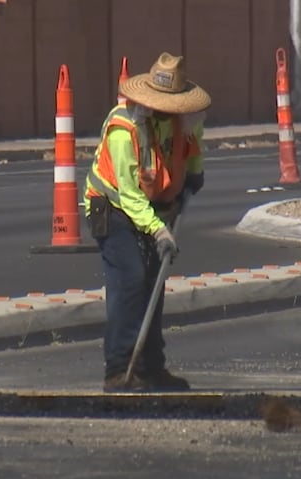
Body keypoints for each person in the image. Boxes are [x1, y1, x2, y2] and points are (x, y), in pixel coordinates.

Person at [83, 52, 210, 392]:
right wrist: (159, 231)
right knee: (132, 281)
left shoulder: (184, 118)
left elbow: (191, 145)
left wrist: (195, 175)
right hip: (111, 207)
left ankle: (151, 368)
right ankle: (118, 370)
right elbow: (128, 193)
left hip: (152, 207)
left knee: (154, 282)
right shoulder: (124, 128)